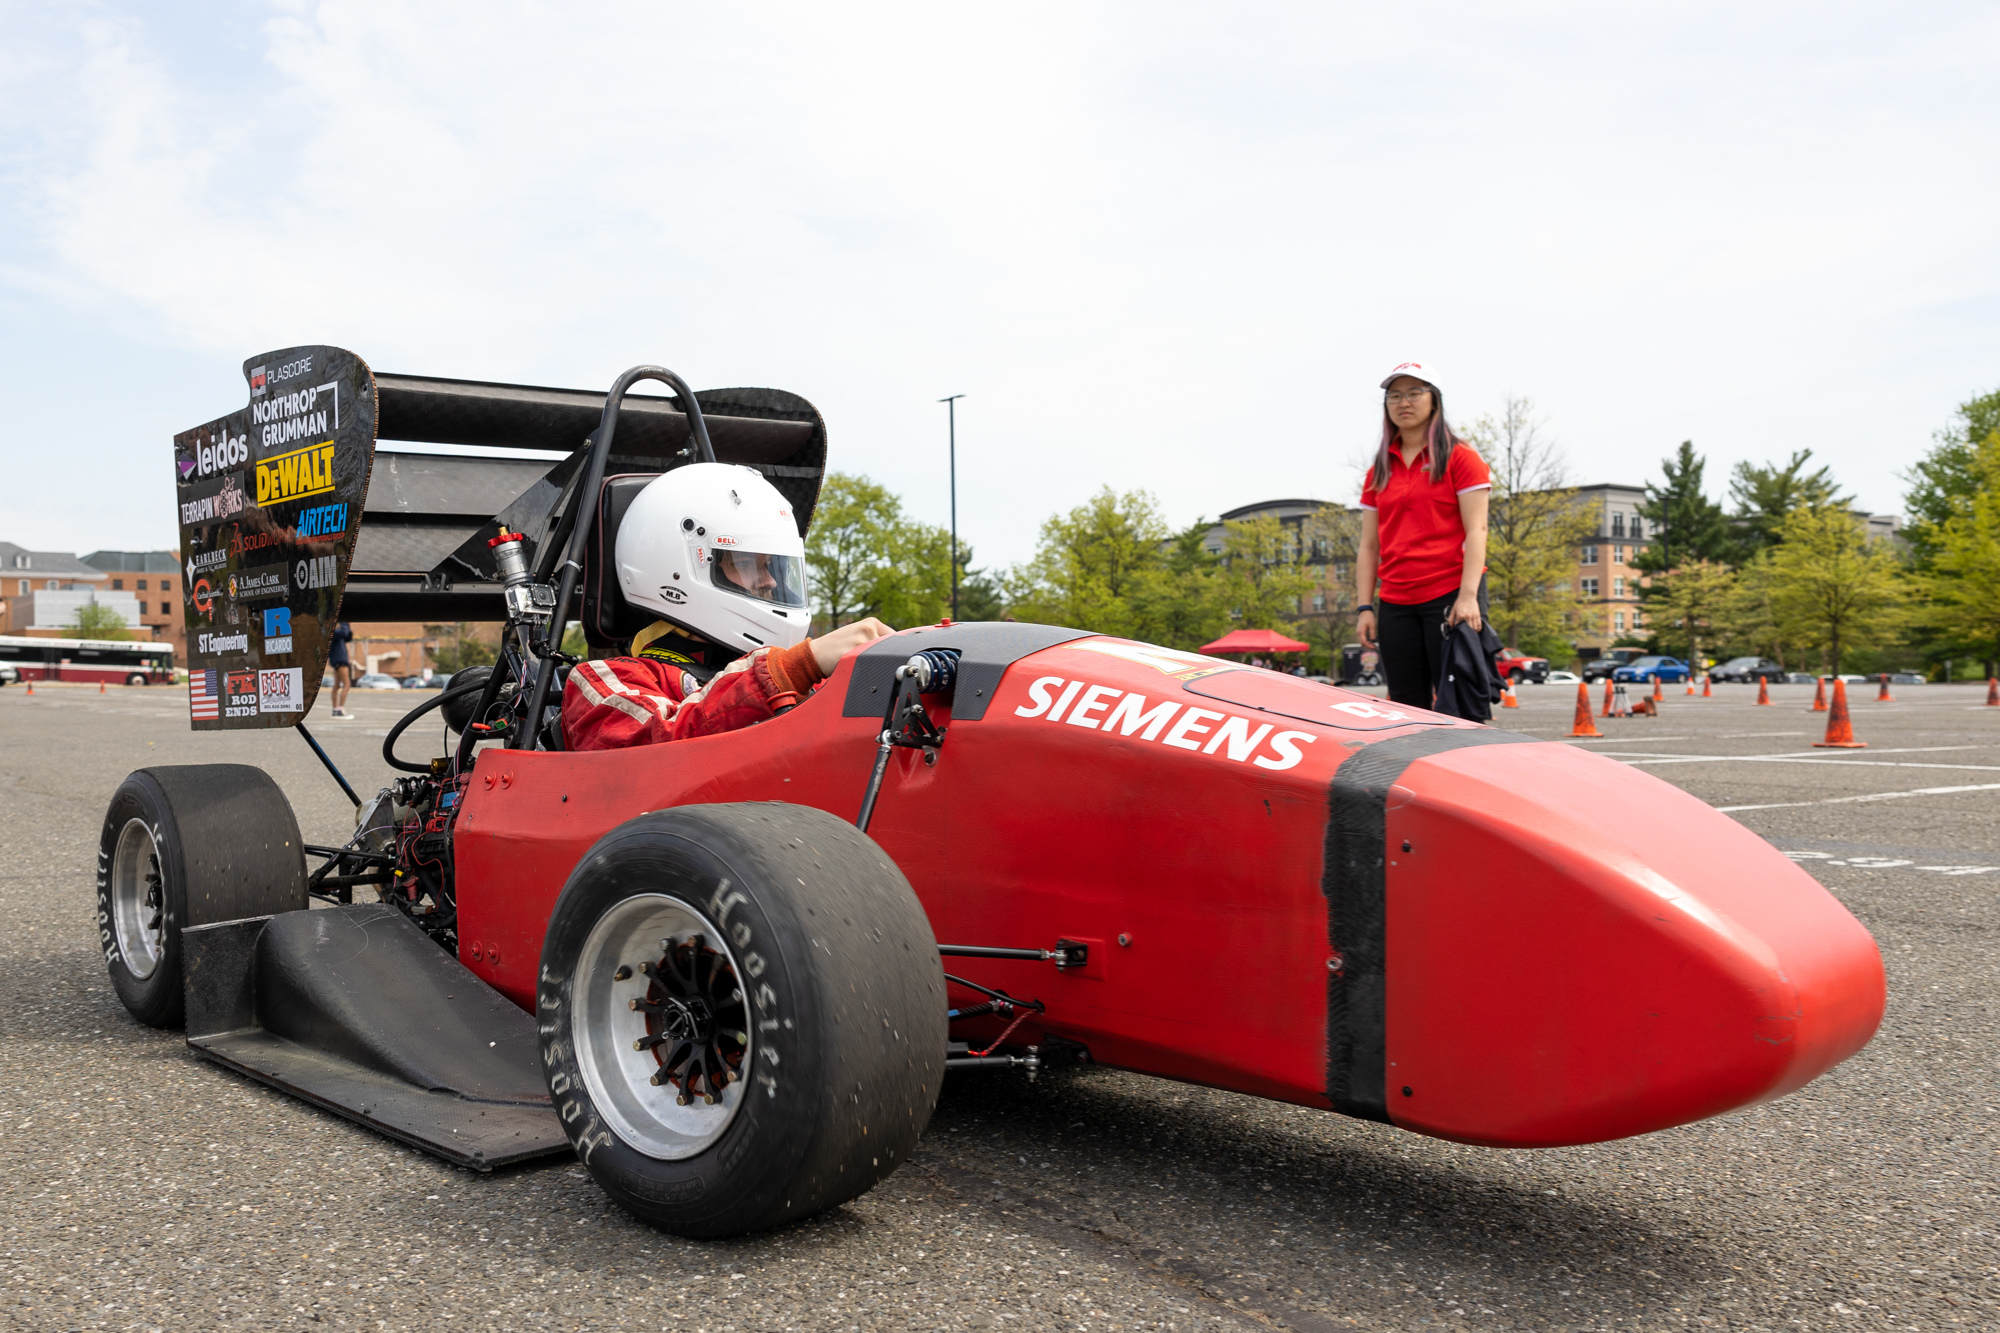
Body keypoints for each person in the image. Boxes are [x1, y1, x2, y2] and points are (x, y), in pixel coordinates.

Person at [563, 462, 892, 751]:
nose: (771, 583)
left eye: (773, 566)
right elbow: (649, 749)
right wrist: (796, 667)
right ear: (675, 567)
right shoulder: (607, 679)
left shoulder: (808, 681)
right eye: (749, 563)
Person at [1353, 361, 1491, 710]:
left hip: (1449, 595)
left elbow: (1478, 529)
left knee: (1459, 705)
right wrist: (1365, 607)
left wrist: (1468, 596)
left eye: (1415, 392)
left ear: (1435, 400)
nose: (1404, 402)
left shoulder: (1461, 458)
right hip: (1396, 602)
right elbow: (1369, 546)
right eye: (1395, 395)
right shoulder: (1379, 468)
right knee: (1405, 707)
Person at [327, 621, 355, 718]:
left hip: (337, 659)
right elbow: (344, 633)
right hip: (340, 659)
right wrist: (344, 623)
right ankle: (340, 708)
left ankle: (335, 709)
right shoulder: (333, 631)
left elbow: (348, 637)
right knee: (347, 684)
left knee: (337, 685)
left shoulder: (337, 633)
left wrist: (348, 626)